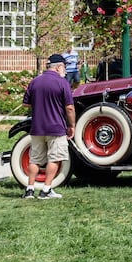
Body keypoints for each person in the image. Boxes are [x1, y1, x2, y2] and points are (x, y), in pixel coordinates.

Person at [22, 53, 76, 200]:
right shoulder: (62, 82)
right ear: (59, 67)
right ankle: (46, 190)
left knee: (35, 159)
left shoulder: (35, 81)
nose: (64, 70)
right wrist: (72, 125)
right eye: (64, 67)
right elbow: (69, 107)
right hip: (56, 127)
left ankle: (29, 190)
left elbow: (26, 103)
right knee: (55, 158)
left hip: (37, 127)